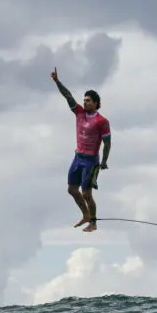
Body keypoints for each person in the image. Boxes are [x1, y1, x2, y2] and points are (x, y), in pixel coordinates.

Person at [50, 67, 111, 233]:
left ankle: (93, 222)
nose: (85, 103)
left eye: (89, 101)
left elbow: (107, 143)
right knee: (71, 190)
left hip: (91, 161)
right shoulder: (79, 113)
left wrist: (104, 161)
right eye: (84, 100)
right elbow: (68, 96)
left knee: (86, 194)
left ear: (97, 103)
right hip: (78, 157)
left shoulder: (102, 121)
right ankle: (85, 214)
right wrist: (57, 82)